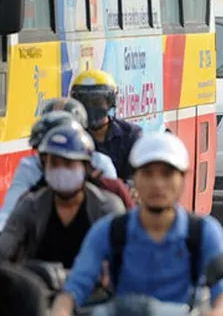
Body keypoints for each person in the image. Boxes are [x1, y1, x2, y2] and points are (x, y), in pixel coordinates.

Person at [51, 132, 223, 316]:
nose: (157, 184)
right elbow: (75, 287)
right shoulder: (109, 231)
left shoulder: (203, 231)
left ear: (183, 178)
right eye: (148, 174)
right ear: (135, 179)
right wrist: (61, 310)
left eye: (167, 174)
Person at [0, 124, 125, 268]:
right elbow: (5, 248)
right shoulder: (30, 205)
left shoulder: (107, 207)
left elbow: (122, 260)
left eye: (68, 163)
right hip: (37, 286)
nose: (61, 170)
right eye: (54, 164)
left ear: (85, 167)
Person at [0, 98, 119, 231]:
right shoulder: (31, 166)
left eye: (68, 160)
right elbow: (9, 213)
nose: (59, 167)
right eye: (52, 159)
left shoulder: (101, 165)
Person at [70, 70, 142, 181]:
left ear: (110, 102)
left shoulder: (130, 135)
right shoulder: (72, 136)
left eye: (96, 102)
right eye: (85, 102)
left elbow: (138, 177)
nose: (90, 107)